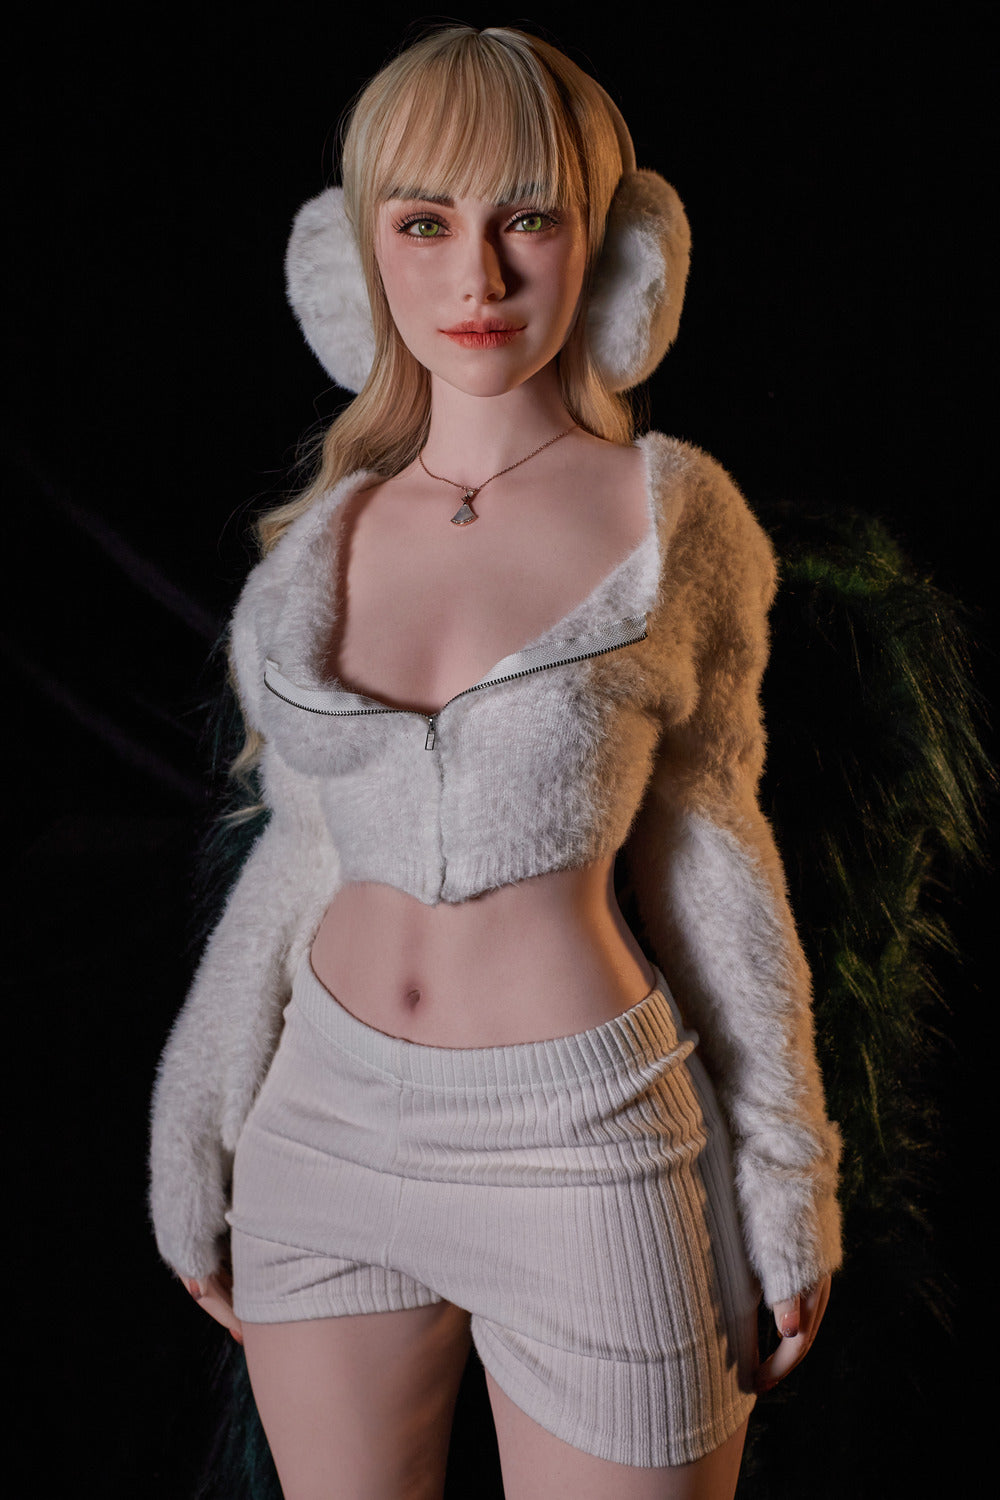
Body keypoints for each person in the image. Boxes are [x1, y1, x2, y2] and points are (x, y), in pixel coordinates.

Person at [149, 25, 842, 1500]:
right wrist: (195, 1117)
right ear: (355, 255)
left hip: (585, 1144)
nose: (478, 278)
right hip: (320, 1131)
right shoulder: (318, 545)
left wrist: (787, 1173)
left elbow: (716, 848)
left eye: (527, 217)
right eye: (425, 223)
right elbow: (304, 853)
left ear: (613, 249)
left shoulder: (674, 519)